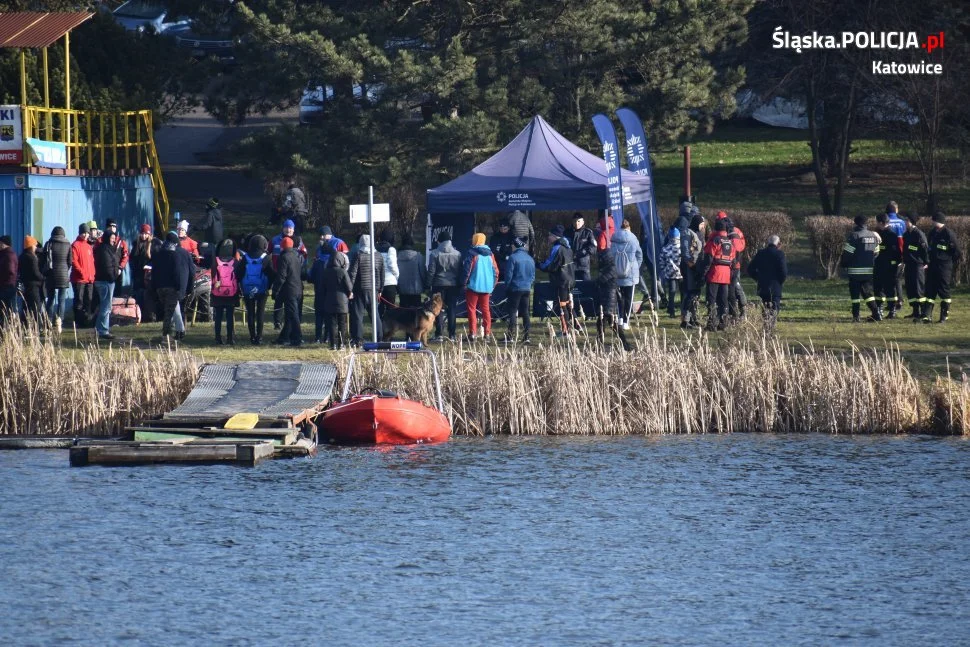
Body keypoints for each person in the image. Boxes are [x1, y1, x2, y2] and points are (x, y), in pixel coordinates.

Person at [152, 231, 194, 340]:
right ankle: (175, 332)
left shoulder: (160, 253)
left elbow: (155, 272)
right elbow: (190, 272)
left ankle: (176, 331)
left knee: (172, 308)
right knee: (173, 308)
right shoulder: (183, 253)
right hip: (178, 286)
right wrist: (189, 287)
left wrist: (154, 287)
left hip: (163, 286)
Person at [924, 212, 962, 324]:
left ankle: (944, 316)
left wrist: (948, 261)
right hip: (933, 265)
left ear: (937, 221)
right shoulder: (932, 233)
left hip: (944, 266)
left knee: (943, 290)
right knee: (930, 289)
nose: (932, 222)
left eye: (933, 220)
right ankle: (927, 316)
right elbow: (929, 247)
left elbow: (957, 252)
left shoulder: (948, 234)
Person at [841, 215, 881, 322]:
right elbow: (876, 252)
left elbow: (848, 253)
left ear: (856, 224)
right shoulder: (873, 235)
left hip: (855, 271)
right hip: (868, 270)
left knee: (855, 296)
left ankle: (856, 317)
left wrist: (844, 264)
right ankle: (876, 313)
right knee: (868, 294)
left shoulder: (854, 236)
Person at [539, 224, 577, 336]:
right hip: (570, 280)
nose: (548, 237)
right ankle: (576, 327)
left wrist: (538, 264)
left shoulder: (557, 248)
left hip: (562, 281)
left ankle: (565, 331)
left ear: (555, 236)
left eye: (550, 235)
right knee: (569, 304)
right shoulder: (568, 247)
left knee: (562, 306)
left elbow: (549, 265)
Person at [701, 219, 737, 331]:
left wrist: (703, 273)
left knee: (711, 299)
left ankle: (712, 323)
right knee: (723, 300)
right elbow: (734, 261)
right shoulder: (730, 242)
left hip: (714, 273)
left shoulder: (715, 241)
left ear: (716, 228)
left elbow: (708, 258)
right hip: (726, 275)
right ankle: (723, 322)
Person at [462, 233, 500, 340]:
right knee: (486, 310)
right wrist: (492, 285)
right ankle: (487, 333)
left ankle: (473, 333)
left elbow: (467, 271)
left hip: (473, 286)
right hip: (487, 287)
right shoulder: (490, 254)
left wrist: (464, 283)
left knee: (471, 309)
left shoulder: (472, 253)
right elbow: (496, 272)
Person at [426, 230, 462, 341]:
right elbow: (460, 270)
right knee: (452, 309)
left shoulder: (435, 253)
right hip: (453, 284)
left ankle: (439, 334)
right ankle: (452, 335)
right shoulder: (457, 254)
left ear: (439, 241)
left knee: (438, 309)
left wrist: (428, 284)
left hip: (438, 284)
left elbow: (431, 271)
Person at [348, 233, 384, 345]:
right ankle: (379, 336)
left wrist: (350, 289)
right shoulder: (378, 255)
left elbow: (353, 273)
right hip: (374, 289)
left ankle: (358, 338)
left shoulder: (358, 255)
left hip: (360, 288)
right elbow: (382, 274)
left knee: (358, 315)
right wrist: (380, 289)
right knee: (375, 314)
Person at [271, 220, 307, 329]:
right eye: (286, 227)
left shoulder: (298, 241)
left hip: (294, 275)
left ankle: (293, 323)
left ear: (294, 229)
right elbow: (268, 253)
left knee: (293, 300)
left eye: (291, 228)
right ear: (283, 228)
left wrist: (300, 269)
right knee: (278, 298)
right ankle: (277, 321)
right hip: (278, 272)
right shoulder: (275, 240)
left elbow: (304, 255)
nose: (288, 229)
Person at [594, 248, 632, 351]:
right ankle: (624, 344)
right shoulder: (607, 268)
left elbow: (601, 280)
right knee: (610, 324)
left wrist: (596, 279)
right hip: (607, 298)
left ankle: (599, 345)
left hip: (609, 299)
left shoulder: (611, 269)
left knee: (603, 323)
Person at [237, 234, 272, 345]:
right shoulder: (266, 258)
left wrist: (240, 286)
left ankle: (252, 336)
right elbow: (271, 274)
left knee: (250, 313)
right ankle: (259, 336)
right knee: (260, 312)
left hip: (248, 289)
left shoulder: (245, 258)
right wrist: (269, 286)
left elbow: (239, 274)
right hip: (261, 289)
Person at [747, 235, 788, 329]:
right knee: (774, 308)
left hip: (763, 285)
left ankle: (766, 327)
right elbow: (784, 271)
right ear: (778, 244)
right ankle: (770, 328)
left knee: (765, 308)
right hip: (775, 286)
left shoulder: (761, 253)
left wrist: (758, 278)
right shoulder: (780, 254)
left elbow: (750, 269)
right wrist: (780, 281)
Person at [610, 219, 643, 329]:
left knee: (619, 297)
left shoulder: (613, 239)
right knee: (629, 298)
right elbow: (639, 255)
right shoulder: (633, 239)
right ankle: (625, 322)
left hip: (616, 273)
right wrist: (635, 267)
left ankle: (619, 318)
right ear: (629, 228)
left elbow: (610, 256)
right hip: (630, 275)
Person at [715, 211, 747, 319]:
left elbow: (737, 249)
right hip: (731, 265)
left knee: (734, 288)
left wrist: (733, 263)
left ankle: (740, 310)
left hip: (733, 266)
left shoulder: (733, 232)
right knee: (731, 289)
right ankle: (734, 312)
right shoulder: (733, 231)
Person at [273, 236, 304, 346]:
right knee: (290, 314)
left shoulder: (284, 257)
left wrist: (275, 290)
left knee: (293, 315)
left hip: (289, 289)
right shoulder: (296, 256)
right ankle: (284, 337)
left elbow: (281, 276)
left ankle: (298, 338)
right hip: (298, 288)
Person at [504, 236, 535, 344]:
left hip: (515, 288)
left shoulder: (513, 258)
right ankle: (527, 337)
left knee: (512, 312)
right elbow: (533, 275)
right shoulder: (530, 258)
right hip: (526, 288)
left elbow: (508, 275)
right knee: (525, 312)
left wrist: (507, 286)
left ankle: (510, 336)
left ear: (515, 245)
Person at [320, 250, 353, 349]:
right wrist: (349, 294)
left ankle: (333, 344)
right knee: (342, 324)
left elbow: (322, 288)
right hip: (342, 301)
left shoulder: (325, 272)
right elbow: (349, 286)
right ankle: (341, 344)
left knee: (331, 324)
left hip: (329, 301)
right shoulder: (342, 271)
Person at [42, 226, 72, 333]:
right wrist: (65, 270)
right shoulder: (68, 244)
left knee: (50, 299)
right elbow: (70, 262)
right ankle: (59, 322)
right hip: (63, 276)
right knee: (62, 300)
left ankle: (48, 321)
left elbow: (43, 259)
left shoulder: (49, 243)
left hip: (51, 275)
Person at [210, 239, 240, 345]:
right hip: (231, 292)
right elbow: (238, 276)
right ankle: (230, 338)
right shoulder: (234, 261)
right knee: (229, 316)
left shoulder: (216, 260)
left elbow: (213, 274)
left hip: (218, 290)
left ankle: (217, 337)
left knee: (218, 316)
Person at [129, 224, 161, 321]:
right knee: (138, 295)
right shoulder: (136, 244)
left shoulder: (154, 244)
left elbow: (155, 258)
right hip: (138, 274)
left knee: (148, 296)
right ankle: (138, 315)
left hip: (149, 275)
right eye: (142, 234)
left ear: (149, 234)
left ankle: (150, 316)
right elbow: (132, 258)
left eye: (145, 234)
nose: (143, 236)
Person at [873, 213, 902, 319]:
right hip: (878, 265)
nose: (876, 224)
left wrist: (894, 265)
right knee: (878, 288)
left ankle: (892, 310)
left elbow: (896, 252)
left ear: (881, 223)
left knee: (890, 289)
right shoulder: (876, 233)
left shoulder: (891, 235)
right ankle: (879, 309)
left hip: (889, 266)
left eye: (877, 222)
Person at [679, 213, 705, 328]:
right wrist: (691, 265)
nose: (703, 226)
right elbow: (685, 251)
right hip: (689, 267)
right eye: (701, 224)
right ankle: (685, 320)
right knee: (690, 292)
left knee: (696, 293)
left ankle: (694, 318)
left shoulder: (699, 234)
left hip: (697, 266)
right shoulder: (687, 233)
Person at [93, 231, 121, 340]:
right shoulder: (104, 250)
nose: (114, 240)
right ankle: (103, 330)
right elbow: (108, 267)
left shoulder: (106, 248)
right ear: (107, 238)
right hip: (106, 281)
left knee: (105, 306)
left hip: (106, 280)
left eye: (114, 238)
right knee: (106, 306)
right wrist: (113, 277)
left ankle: (99, 328)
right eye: (112, 238)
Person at [902, 212, 929, 320]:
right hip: (909, 264)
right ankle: (915, 311)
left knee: (918, 289)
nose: (905, 222)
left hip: (918, 265)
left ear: (911, 221)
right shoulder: (906, 234)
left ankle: (923, 312)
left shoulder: (918, 234)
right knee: (910, 288)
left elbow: (925, 249)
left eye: (906, 220)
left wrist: (926, 262)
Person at [70, 223, 95, 328]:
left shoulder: (89, 246)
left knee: (88, 300)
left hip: (89, 279)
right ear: (80, 233)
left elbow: (92, 262)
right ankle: (78, 321)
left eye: (87, 233)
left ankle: (87, 321)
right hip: (79, 279)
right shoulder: (75, 245)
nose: (85, 235)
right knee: (79, 301)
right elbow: (74, 261)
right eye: (83, 233)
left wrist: (93, 274)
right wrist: (81, 272)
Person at [885, 200, 907, 308]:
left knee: (887, 278)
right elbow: (904, 239)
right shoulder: (902, 222)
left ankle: (890, 302)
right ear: (896, 209)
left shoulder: (884, 221)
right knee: (898, 278)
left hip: (886, 255)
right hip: (899, 254)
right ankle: (900, 300)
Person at [396, 233, 426, 309]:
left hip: (402, 289)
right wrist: (426, 284)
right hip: (416, 289)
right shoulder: (418, 256)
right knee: (416, 314)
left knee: (403, 312)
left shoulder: (397, 256)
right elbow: (423, 273)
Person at [19, 236, 44, 324]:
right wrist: (43, 278)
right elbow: (35, 273)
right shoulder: (32, 258)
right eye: (35, 245)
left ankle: (24, 325)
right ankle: (36, 326)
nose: (36, 247)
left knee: (26, 307)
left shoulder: (22, 256)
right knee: (35, 307)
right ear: (31, 246)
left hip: (26, 285)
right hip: (34, 285)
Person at [658, 228, 682, 318]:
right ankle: (683, 310)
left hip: (670, 274)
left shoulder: (665, 248)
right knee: (683, 292)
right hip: (681, 274)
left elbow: (661, 262)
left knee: (672, 293)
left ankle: (671, 311)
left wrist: (664, 271)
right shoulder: (682, 247)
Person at [376, 229, 400, 317]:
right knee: (391, 308)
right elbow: (392, 265)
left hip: (378, 282)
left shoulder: (375, 248)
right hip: (390, 282)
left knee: (379, 308)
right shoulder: (391, 249)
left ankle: (379, 328)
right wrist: (397, 276)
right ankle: (390, 328)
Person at [104, 219, 130, 295]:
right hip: (105, 272)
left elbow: (125, 256)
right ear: (106, 227)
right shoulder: (101, 241)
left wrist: (120, 268)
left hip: (117, 271)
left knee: (117, 294)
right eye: (110, 226)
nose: (112, 228)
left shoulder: (121, 242)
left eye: (114, 226)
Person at [570, 213, 597, 281]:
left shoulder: (588, 233)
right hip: (571, 265)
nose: (577, 223)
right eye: (575, 221)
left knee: (586, 287)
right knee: (572, 288)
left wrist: (583, 252)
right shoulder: (567, 232)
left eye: (579, 221)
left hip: (583, 267)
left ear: (583, 222)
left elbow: (593, 248)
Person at [0, 236, 16, 326]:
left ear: (4, 244)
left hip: (7, 286)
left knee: (7, 310)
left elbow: (11, 271)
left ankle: (7, 329)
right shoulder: (4, 254)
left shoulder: (9, 255)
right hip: (5, 286)